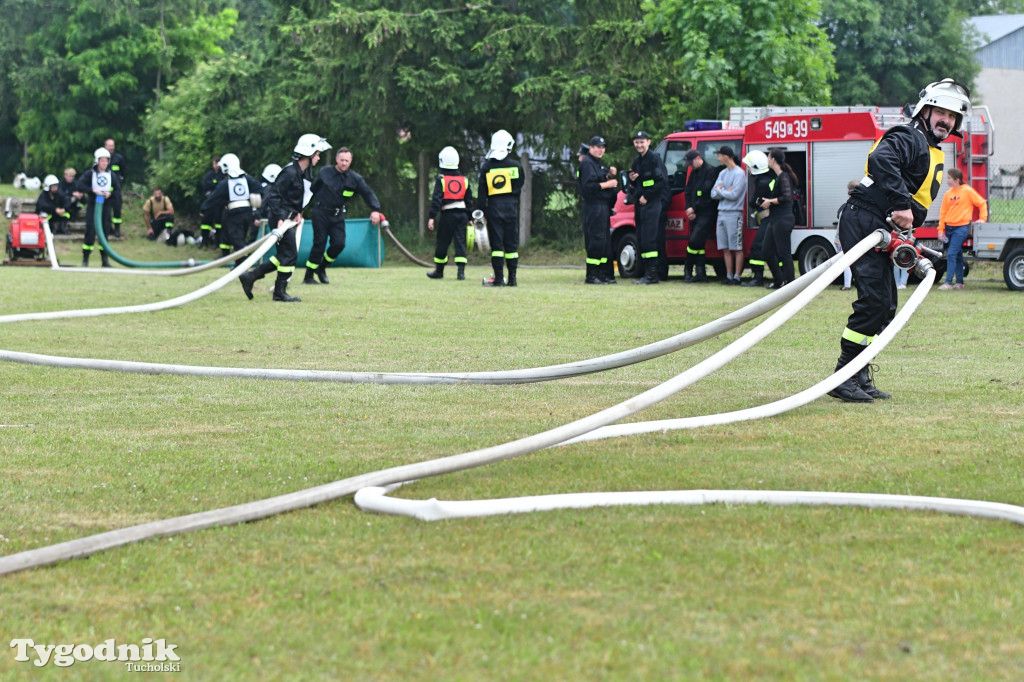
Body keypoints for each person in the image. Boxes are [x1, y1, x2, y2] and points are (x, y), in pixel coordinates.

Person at [828, 78, 971, 403]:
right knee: (874, 300)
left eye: (952, 117)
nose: (946, 121)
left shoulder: (930, 147)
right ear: (926, 110)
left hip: (881, 224)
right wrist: (900, 203)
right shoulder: (911, 136)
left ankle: (859, 373)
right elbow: (881, 160)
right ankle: (843, 375)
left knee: (886, 306)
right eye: (941, 112)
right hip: (865, 219)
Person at [239, 134, 331, 302]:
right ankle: (279, 292)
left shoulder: (301, 173)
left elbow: (294, 198)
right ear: (309, 153)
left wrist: (298, 212)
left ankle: (251, 277)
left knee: (284, 256)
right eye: (317, 154)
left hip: (288, 219)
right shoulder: (289, 172)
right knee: (290, 255)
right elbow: (275, 196)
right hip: (280, 219)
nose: (318, 157)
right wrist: (280, 218)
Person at [304, 146, 383, 284]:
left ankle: (321, 267)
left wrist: (375, 209)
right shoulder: (324, 172)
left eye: (347, 160)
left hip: (338, 216)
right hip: (320, 213)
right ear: (336, 159)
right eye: (341, 160)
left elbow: (367, 193)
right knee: (319, 244)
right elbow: (312, 189)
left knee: (339, 244)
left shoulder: (355, 179)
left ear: (351, 161)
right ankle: (308, 276)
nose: (344, 163)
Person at [477, 129, 524, 287]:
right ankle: (512, 279)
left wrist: (481, 212)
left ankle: (498, 278)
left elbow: (482, 193)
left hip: (494, 208)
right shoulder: (516, 166)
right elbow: (519, 186)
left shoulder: (486, 167)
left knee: (497, 246)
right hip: (511, 207)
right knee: (511, 246)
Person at [200, 154, 262, 268]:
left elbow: (214, 198)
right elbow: (259, 188)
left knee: (237, 240)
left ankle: (242, 266)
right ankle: (239, 264)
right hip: (247, 214)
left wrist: (204, 208)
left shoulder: (225, 183)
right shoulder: (247, 179)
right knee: (240, 238)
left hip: (234, 215)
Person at [426, 146, 474, 280]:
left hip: (447, 215)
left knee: (442, 242)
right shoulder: (464, 180)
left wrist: (431, 217)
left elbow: (436, 200)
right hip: (462, 215)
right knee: (460, 242)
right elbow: (469, 200)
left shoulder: (441, 179)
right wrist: (470, 217)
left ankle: (439, 271)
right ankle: (461, 273)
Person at [577, 135, 619, 284]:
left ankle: (601, 273)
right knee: (596, 240)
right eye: (598, 147)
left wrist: (609, 176)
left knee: (603, 242)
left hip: (602, 207)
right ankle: (591, 275)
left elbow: (599, 178)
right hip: (593, 207)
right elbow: (588, 188)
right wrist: (608, 185)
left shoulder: (596, 163)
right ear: (591, 147)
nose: (601, 150)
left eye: (603, 147)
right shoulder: (587, 164)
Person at [937, 167, 987, 290]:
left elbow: (982, 203)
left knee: (952, 254)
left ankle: (948, 282)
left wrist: (982, 219)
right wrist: (940, 229)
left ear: (956, 179)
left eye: (949, 178)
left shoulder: (967, 191)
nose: (947, 180)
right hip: (949, 228)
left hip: (961, 228)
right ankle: (959, 282)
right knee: (958, 255)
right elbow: (943, 212)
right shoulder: (948, 193)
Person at [72, 147, 121, 267]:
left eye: (106, 161)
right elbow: (79, 184)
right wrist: (92, 190)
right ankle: (85, 259)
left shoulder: (112, 175)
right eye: (102, 161)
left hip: (106, 207)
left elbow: (118, 191)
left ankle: (105, 260)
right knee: (90, 232)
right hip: (93, 206)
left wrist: (110, 194)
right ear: (97, 161)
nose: (104, 163)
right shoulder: (90, 174)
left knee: (104, 233)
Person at [627, 130, 665, 285]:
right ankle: (644, 273)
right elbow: (636, 184)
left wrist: (647, 196)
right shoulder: (637, 162)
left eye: (642, 142)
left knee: (650, 240)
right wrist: (632, 180)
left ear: (648, 142)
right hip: (640, 205)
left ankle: (652, 274)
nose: (639, 145)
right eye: (636, 142)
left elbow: (661, 182)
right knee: (642, 238)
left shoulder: (654, 159)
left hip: (652, 204)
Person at [759, 149, 798, 289]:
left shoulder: (784, 177)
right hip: (775, 218)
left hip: (783, 218)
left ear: (773, 159)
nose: (768, 160)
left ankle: (790, 284)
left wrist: (771, 201)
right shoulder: (778, 177)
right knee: (766, 251)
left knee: (784, 253)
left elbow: (787, 196)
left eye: (768, 157)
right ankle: (779, 280)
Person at [710, 145, 745, 284]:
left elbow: (735, 195)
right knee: (725, 247)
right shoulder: (723, 173)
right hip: (722, 213)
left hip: (734, 213)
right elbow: (713, 194)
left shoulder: (739, 174)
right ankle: (729, 275)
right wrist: (725, 191)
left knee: (736, 247)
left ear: (726, 156)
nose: (718, 158)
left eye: (719, 155)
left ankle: (737, 276)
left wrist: (721, 190)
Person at [682, 148, 717, 283]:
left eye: (691, 163)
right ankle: (700, 272)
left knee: (694, 241)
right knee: (699, 244)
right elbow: (688, 191)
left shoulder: (710, 171)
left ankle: (688, 269)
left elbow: (707, 194)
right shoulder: (694, 173)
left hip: (706, 212)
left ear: (698, 158)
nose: (690, 166)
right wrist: (688, 208)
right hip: (694, 212)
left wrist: (694, 208)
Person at [739, 150, 771, 287]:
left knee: (757, 247)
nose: (748, 169)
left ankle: (758, 277)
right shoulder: (768, 178)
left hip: (769, 218)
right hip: (770, 219)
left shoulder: (762, 182)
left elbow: (753, 202)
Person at [199, 155, 224, 248]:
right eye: (214, 163)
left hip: (219, 203)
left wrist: (213, 184)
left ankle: (217, 242)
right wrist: (214, 184)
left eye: (218, 163)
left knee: (218, 223)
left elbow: (220, 186)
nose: (216, 165)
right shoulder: (209, 174)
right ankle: (204, 241)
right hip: (209, 202)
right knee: (205, 222)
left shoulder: (222, 175)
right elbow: (205, 184)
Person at [104, 139, 126, 238]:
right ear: (105, 146)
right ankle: (108, 229)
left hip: (116, 190)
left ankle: (117, 229)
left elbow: (123, 172)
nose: (111, 148)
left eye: (112, 145)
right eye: (109, 145)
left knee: (117, 209)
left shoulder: (119, 158)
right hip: (105, 190)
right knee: (106, 211)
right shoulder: (102, 159)